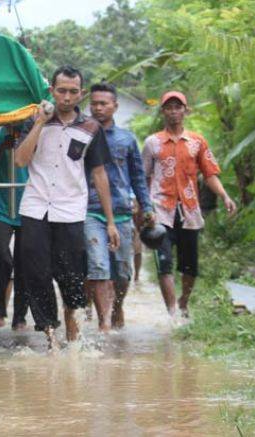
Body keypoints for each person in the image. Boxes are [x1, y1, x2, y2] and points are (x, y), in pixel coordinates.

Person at [15, 66, 119, 349]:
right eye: (61, 90)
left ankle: (73, 336)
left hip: (71, 210)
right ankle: (51, 338)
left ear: (81, 94)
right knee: (36, 275)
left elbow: (99, 174)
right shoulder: (33, 120)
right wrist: (39, 123)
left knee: (72, 275)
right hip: (35, 208)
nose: (67, 97)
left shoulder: (90, 128)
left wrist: (110, 222)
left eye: (73, 91)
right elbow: (21, 161)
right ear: (52, 91)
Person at [142, 91, 236, 317]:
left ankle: (183, 302)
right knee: (164, 263)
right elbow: (143, 177)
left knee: (190, 267)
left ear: (185, 110)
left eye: (178, 107)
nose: (174, 111)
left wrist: (225, 196)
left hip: (189, 211)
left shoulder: (197, 142)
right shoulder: (152, 143)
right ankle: (173, 313)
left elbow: (210, 173)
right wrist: (144, 208)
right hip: (160, 211)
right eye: (169, 107)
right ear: (163, 111)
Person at [85, 82, 154, 332]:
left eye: (103, 103)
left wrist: (147, 207)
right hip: (89, 209)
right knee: (98, 266)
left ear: (115, 106)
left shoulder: (126, 139)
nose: (98, 108)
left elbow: (137, 176)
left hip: (122, 211)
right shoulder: (83, 133)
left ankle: (118, 306)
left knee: (123, 272)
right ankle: (104, 321)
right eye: (94, 103)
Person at [0, 123, 31, 330]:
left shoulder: (31, 132)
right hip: (1, 206)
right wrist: (3, 146)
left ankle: (20, 317)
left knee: (26, 262)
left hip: (28, 204)